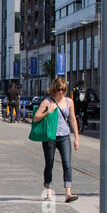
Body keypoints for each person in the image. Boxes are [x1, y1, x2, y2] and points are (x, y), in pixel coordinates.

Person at [32, 76, 80, 204]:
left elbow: (73, 119)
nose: (61, 92)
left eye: (63, 90)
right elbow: (36, 118)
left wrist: (76, 137)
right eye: (59, 89)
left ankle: (68, 193)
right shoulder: (48, 102)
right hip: (50, 137)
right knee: (50, 163)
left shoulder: (69, 102)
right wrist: (48, 112)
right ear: (54, 88)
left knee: (67, 164)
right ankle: (48, 191)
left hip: (64, 136)